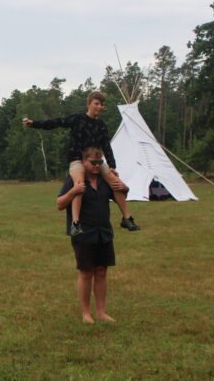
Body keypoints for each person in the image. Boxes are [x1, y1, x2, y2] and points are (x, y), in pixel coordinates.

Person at [24, 91, 140, 235]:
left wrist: (112, 166)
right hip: (77, 158)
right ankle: (76, 223)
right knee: (79, 185)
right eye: (97, 103)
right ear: (88, 104)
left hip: (95, 160)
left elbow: (106, 146)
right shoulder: (78, 119)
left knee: (116, 183)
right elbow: (57, 122)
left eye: (102, 104)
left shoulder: (101, 125)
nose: (100, 107)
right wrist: (34, 124)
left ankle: (126, 218)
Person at [57, 146, 129, 324]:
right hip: (83, 233)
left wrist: (124, 187)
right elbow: (59, 204)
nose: (97, 166)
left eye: (100, 162)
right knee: (86, 272)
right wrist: (74, 191)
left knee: (102, 271)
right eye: (93, 163)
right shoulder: (74, 179)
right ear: (83, 162)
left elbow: (120, 196)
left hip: (104, 232)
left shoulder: (105, 180)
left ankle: (101, 312)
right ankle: (86, 313)